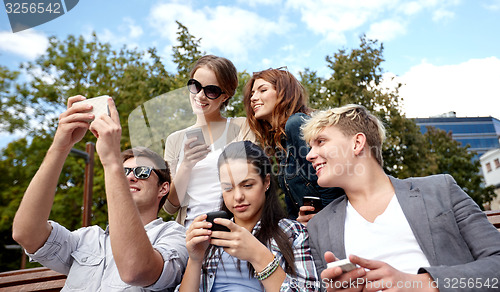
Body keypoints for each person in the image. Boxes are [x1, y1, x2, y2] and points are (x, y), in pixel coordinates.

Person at [302, 104, 500, 291]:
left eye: (321, 142)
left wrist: (423, 283)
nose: (310, 155)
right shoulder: (318, 227)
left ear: (357, 143)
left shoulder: (440, 190)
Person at [12, 95, 188, 291]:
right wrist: (60, 147)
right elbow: (25, 233)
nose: (130, 177)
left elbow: (135, 270)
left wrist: (112, 161)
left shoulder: (175, 236)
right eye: (124, 172)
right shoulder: (87, 238)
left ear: (163, 188)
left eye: (142, 172)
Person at [177, 141, 319, 291]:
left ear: (266, 182)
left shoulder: (293, 233)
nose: (238, 196)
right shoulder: (210, 238)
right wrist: (195, 259)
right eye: (228, 188)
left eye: (247, 185)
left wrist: (258, 256)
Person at [164, 55, 254, 227]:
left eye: (211, 91)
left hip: (234, 231)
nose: (200, 96)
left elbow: (256, 182)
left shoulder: (242, 126)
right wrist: (186, 165)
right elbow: (169, 206)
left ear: (225, 96)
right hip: (190, 234)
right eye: (195, 86)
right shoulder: (174, 140)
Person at [243, 67, 344, 222]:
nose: (253, 98)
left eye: (262, 90)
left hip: (331, 225)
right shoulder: (278, 143)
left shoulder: (296, 124)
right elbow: (293, 205)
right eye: (252, 94)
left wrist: (325, 220)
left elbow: (331, 184)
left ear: (283, 93)